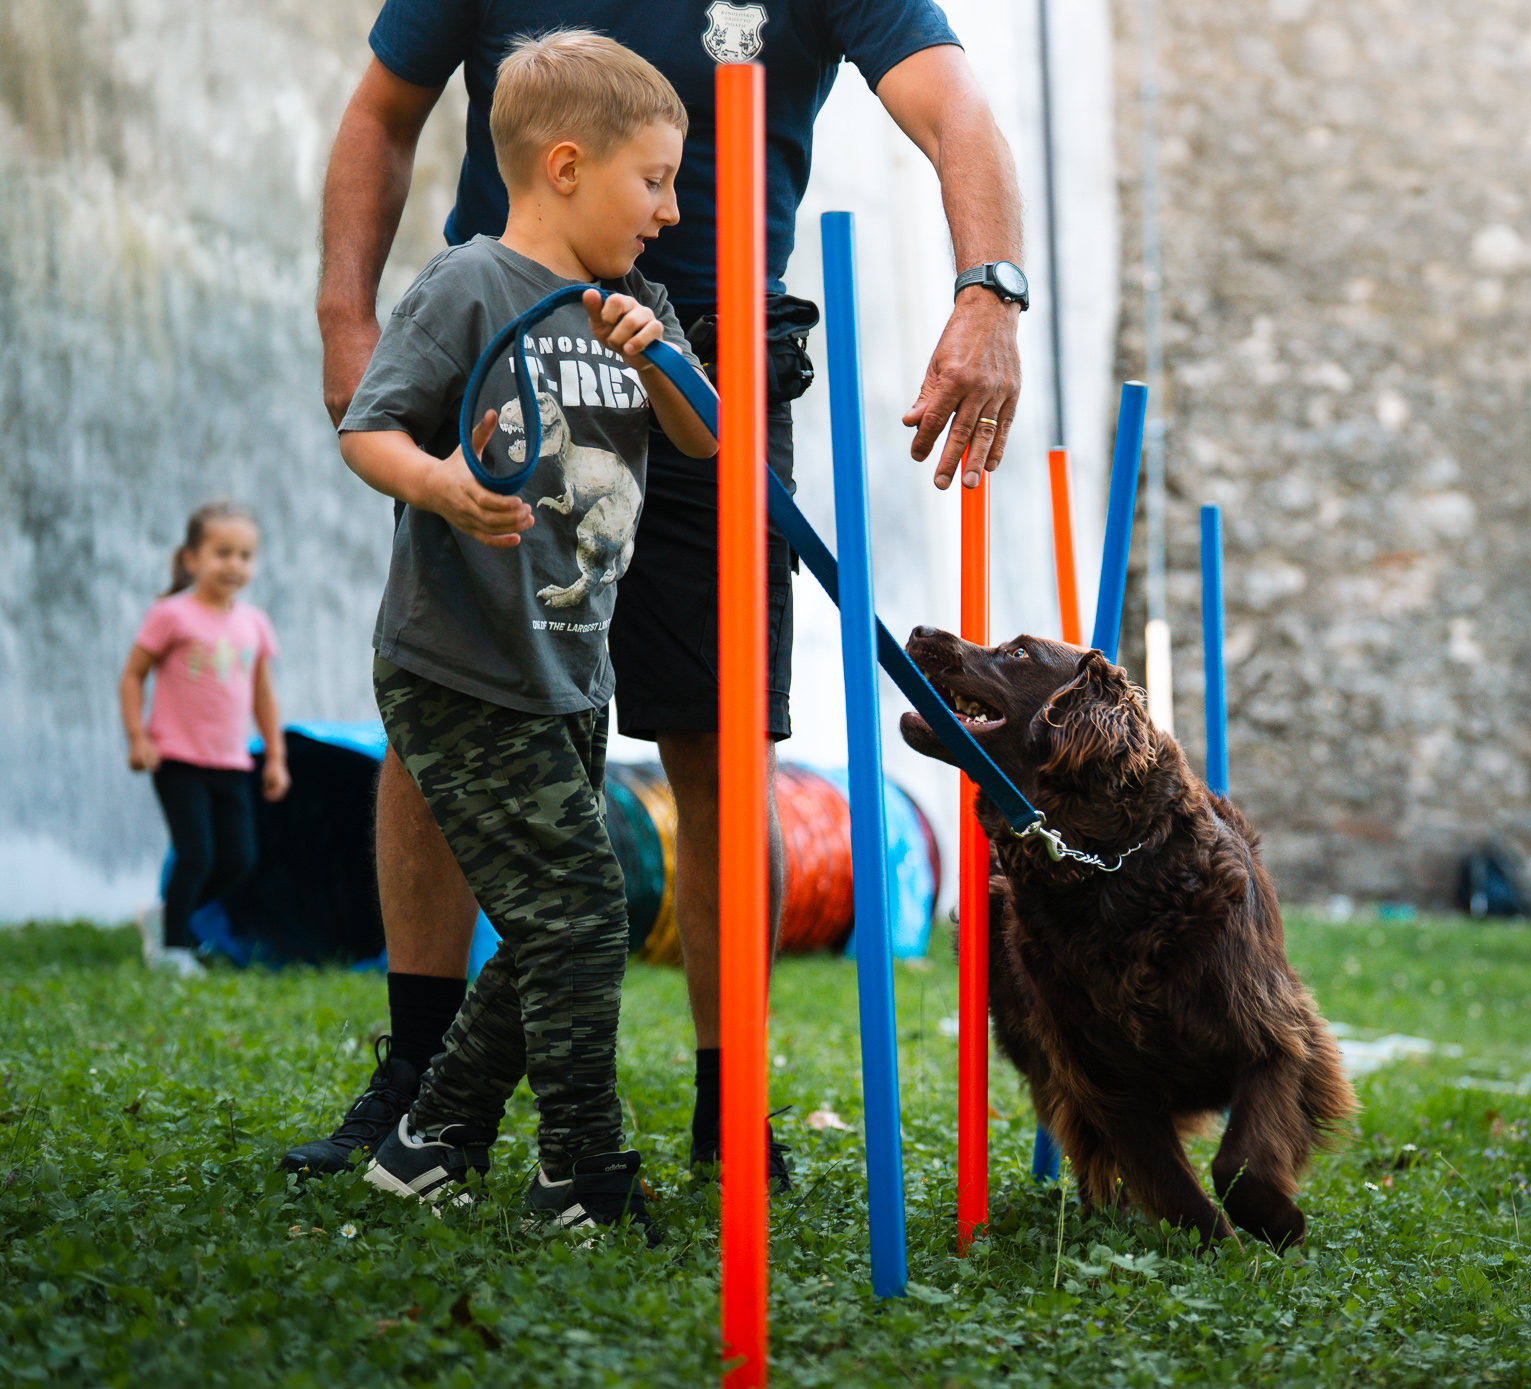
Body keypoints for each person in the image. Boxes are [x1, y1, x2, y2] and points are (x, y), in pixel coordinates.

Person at [284, 0, 1027, 1182]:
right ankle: (417, 1075)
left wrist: (987, 289)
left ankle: (727, 1107)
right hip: (503, 353)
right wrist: (345, 317)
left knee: (722, 737)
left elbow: (957, 107)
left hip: (709, 374)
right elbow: (381, 112)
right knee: (443, 702)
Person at [335, 31, 716, 1236]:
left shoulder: (634, 305)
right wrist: (441, 484)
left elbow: (707, 439)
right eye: (652, 181)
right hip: (461, 668)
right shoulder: (466, 286)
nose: (668, 210)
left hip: (569, 664)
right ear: (564, 166)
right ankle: (582, 1173)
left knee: (568, 906)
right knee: (581, 911)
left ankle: (431, 1139)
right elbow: (368, 427)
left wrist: (663, 366)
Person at [120, 500, 290, 978]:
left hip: (231, 762)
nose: (234, 565)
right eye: (222, 553)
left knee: (238, 859)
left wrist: (275, 757)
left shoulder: (253, 623)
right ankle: (173, 951)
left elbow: (263, 696)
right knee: (196, 854)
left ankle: (167, 914)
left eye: (245, 555)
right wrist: (138, 737)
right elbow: (132, 676)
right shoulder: (170, 615)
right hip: (176, 758)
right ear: (191, 558)